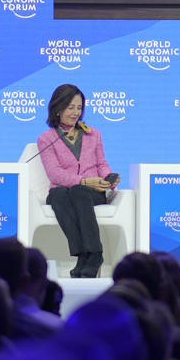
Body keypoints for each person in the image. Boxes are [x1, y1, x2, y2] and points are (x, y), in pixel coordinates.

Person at [35, 84, 119, 279]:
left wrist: (108, 178)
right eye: (70, 107)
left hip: (91, 193)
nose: (76, 112)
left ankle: (94, 254)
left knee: (77, 191)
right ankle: (84, 256)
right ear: (57, 109)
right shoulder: (46, 139)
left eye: (79, 107)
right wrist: (84, 180)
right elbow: (55, 174)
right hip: (63, 192)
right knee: (58, 193)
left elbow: (102, 163)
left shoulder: (93, 134)